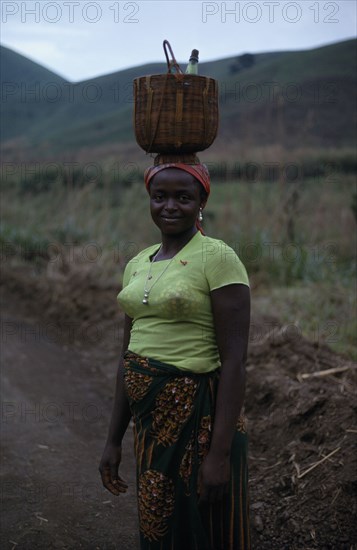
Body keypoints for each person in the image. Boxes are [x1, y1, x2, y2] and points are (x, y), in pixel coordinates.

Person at [99, 161, 251, 550]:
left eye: (183, 197)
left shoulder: (217, 257)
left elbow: (234, 361)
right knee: (159, 521)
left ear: (201, 202)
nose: (169, 206)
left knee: (206, 525)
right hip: (151, 422)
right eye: (159, 196)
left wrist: (218, 455)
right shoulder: (138, 262)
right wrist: (114, 439)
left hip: (198, 417)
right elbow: (127, 356)